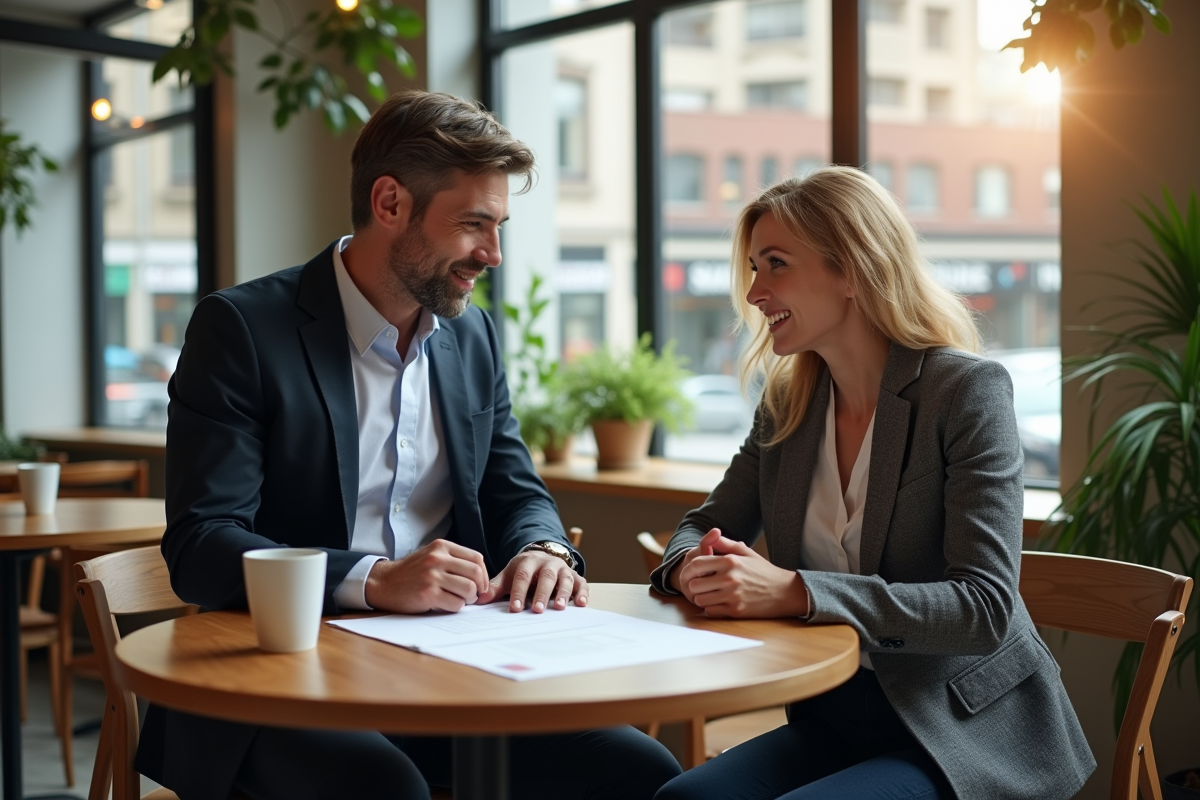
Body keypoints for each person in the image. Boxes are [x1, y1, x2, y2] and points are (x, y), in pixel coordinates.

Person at [137, 90, 681, 800]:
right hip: (279, 676)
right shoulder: (241, 328)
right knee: (383, 789)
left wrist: (543, 548)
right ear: (390, 203)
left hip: (451, 666)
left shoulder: (472, 336)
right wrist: (375, 579)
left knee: (644, 775)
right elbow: (202, 545)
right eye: (474, 225)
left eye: (499, 225)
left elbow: (512, 487)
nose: (492, 253)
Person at [650, 167, 1094, 800]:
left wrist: (797, 591)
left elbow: (984, 608)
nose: (754, 293)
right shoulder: (788, 405)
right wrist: (692, 565)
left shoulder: (965, 392)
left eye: (775, 265)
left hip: (959, 728)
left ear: (852, 270)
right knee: (681, 798)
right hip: (833, 712)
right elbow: (701, 523)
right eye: (752, 268)